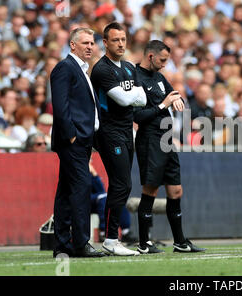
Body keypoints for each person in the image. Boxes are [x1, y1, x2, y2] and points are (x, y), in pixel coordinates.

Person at [134, 40, 205, 254]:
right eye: (163, 60)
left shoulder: (159, 77)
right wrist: (164, 104)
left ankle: (180, 242)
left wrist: (177, 100)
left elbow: (174, 94)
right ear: (150, 57)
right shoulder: (135, 78)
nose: (165, 64)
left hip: (167, 139)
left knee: (176, 190)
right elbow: (138, 116)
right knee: (151, 189)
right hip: (149, 139)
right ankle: (144, 243)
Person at [90, 22, 146, 256]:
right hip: (108, 132)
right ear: (105, 42)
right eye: (115, 40)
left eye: (123, 39)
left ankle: (112, 237)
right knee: (122, 183)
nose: (121, 44)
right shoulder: (102, 69)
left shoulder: (129, 68)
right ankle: (111, 238)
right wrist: (131, 96)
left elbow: (142, 98)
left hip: (126, 130)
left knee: (122, 184)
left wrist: (130, 95)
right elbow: (124, 100)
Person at [50, 27, 105, 258]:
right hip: (73, 141)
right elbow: (61, 107)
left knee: (65, 191)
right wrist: (73, 136)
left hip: (81, 141)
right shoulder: (66, 67)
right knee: (81, 189)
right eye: (85, 43)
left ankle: (62, 244)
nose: (90, 47)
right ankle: (82, 243)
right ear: (73, 45)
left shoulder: (81, 70)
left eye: (92, 43)